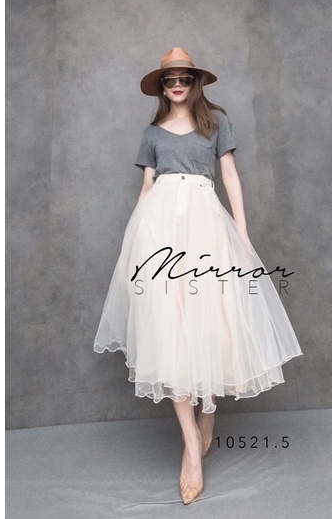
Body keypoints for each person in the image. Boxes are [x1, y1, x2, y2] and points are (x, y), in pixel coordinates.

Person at [94, 47, 303, 504]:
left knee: (210, 321)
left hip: (205, 226)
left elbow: (230, 177)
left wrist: (242, 234)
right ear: (162, 86)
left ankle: (208, 413)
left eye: (184, 78)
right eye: (170, 79)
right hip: (158, 228)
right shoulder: (152, 133)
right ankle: (191, 444)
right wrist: (132, 247)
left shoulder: (216, 122)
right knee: (166, 329)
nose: (177, 85)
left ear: (195, 82)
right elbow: (146, 188)